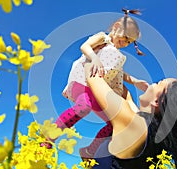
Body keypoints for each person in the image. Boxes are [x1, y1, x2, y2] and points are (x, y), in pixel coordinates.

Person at [41, 8, 149, 160]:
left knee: (113, 125)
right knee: (83, 106)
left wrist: (135, 81)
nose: (125, 43)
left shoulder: (119, 57)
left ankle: (89, 152)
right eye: (125, 37)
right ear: (117, 27)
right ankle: (49, 136)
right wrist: (94, 58)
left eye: (129, 42)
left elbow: (119, 74)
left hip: (99, 92)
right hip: (83, 81)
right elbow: (85, 46)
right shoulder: (103, 39)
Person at [84, 63, 177, 169]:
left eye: (158, 83)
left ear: (157, 102)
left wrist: (93, 56)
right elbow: (127, 98)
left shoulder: (136, 127)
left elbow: (92, 74)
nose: (152, 84)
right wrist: (133, 81)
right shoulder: (150, 135)